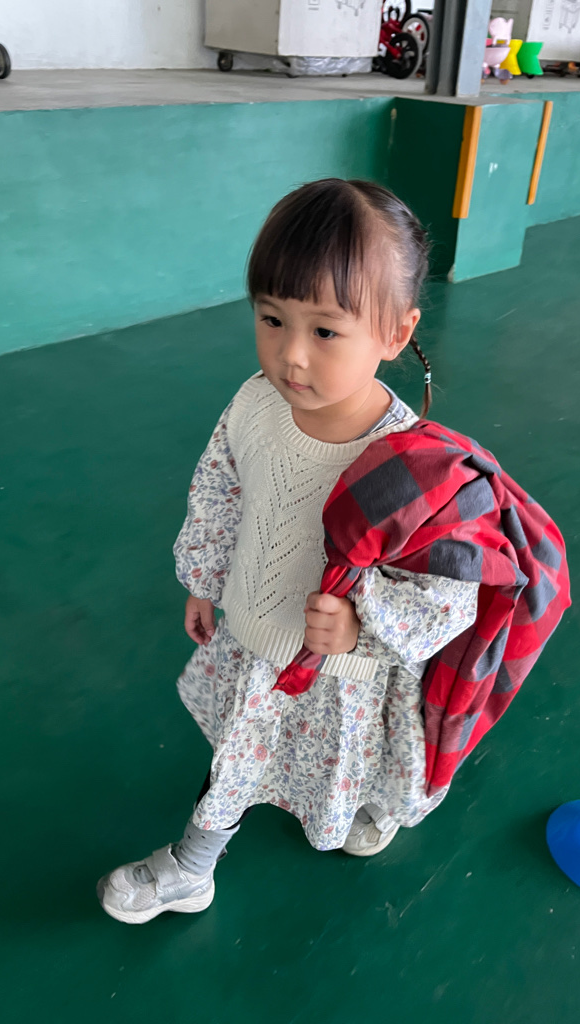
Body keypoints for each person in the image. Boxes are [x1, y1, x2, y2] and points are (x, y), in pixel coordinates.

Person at [97, 178, 482, 924]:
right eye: (272, 319)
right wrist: (205, 581)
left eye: (326, 331)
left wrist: (363, 623)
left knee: (341, 765)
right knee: (240, 759)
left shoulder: (413, 465)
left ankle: (365, 806)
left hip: (341, 676)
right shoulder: (254, 403)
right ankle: (193, 868)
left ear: (396, 334)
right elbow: (221, 488)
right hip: (255, 640)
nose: (291, 356)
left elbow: (449, 593)